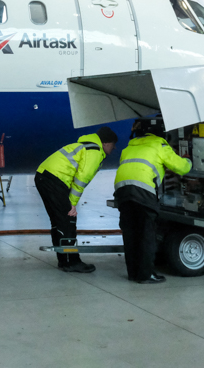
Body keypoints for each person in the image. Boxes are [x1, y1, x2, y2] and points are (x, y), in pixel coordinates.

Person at [114, 118, 192, 284]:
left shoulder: (129, 147)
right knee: (146, 234)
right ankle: (146, 274)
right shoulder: (160, 145)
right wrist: (188, 159)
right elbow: (181, 167)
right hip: (142, 192)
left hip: (122, 192)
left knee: (130, 234)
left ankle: (133, 273)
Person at [35, 127, 118, 272]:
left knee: (59, 221)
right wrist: (72, 204)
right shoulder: (95, 152)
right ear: (105, 143)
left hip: (46, 177)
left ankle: (64, 260)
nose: (114, 147)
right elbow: (81, 180)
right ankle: (71, 262)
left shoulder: (86, 147)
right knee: (68, 220)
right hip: (54, 180)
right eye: (113, 144)